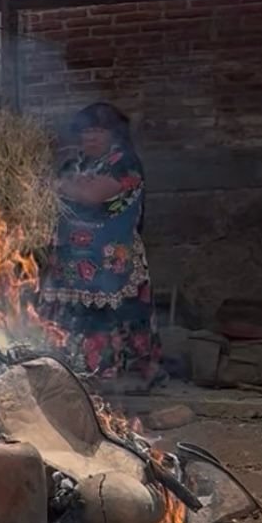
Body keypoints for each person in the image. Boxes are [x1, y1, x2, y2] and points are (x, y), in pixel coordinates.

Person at [38, 102, 163, 389]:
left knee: (112, 314)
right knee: (68, 315)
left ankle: (116, 374)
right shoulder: (75, 162)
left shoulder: (125, 162)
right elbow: (55, 187)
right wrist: (65, 184)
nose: (90, 138)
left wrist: (63, 186)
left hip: (111, 257)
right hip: (69, 256)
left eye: (98, 131)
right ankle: (69, 370)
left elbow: (91, 195)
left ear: (113, 134)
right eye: (85, 131)